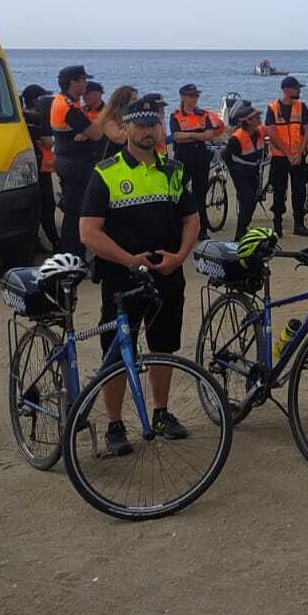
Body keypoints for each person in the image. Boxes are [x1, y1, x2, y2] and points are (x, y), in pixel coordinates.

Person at [78, 94, 200, 452]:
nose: (148, 131)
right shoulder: (106, 173)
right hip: (122, 279)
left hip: (167, 273)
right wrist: (129, 259)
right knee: (117, 352)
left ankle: (161, 412)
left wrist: (180, 256)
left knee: (164, 347)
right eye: (141, 125)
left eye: (153, 125)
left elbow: (191, 219)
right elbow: (89, 232)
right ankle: (115, 424)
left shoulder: (174, 171)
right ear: (126, 127)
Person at [49, 64, 107, 256]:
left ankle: (72, 252)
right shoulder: (70, 108)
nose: (86, 84)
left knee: (73, 211)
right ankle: (73, 255)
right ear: (74, 82)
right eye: (83, 80)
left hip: (67, 162)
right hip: (76, 166)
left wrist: (86, 132)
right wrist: (90, 130)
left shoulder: (60, 100)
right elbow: (97, 135)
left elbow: (88, 132)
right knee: (77, 213)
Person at [168, 84, 223, 237]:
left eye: (196, 96)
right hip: (183, 159)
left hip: (200, 158)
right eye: (191, 96)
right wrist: (198, 135)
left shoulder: (203, 114)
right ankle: (179, 226)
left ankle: (202, 229)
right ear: (183, 97)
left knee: (201, 193)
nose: (194, 99)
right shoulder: (176, 115)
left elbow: (210, 134)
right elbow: (177, 137)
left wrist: (191, 136)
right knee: (178, 192)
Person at [265, 76, 308, 236]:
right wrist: (288, 153)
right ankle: (277, 225)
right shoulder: (272, 108)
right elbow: (271, 133)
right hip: (280, 157)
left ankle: (299, 224)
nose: (299, 90)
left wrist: (300, 153)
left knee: (299, 191)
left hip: (298, 157)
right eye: (296, 88)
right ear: (286, 89)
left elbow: (307, 130)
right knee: (279, 192)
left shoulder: (301, 107)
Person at [21, 84, 59, 250]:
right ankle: (55, 241)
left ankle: (34, 239)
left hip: (26, 166)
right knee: (47, 205)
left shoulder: (21, 116)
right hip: (42, 166)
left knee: (32, 205)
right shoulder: (38, 118)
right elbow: (48, 142)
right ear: (36, 100)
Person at [224, 102, 267, 240]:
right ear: (248, 121)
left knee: (253, 200)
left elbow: (272, 130)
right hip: (241, 172)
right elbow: (226, 156)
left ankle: (244, 228)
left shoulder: (259, 132)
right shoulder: (236, 138)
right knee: (246, 200)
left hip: (254, 170)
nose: (260, 119)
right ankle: (239, 234)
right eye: (256, 117)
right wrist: (235, 172)